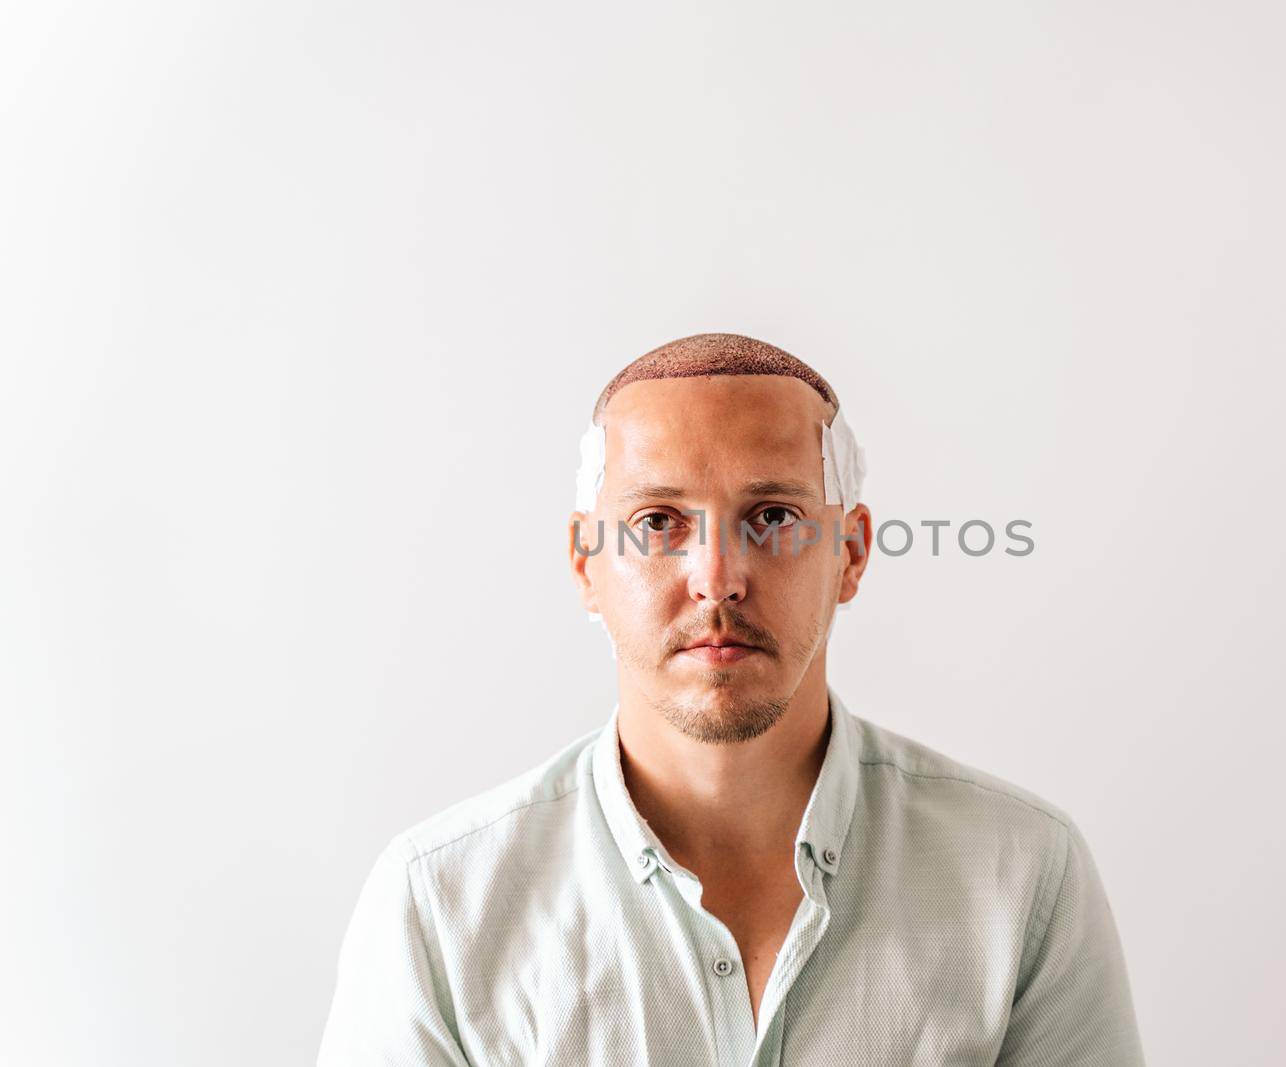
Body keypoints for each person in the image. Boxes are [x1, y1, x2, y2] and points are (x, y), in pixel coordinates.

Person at [317, 333, 1146, 1065]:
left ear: (851, 553)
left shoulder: (1021, 876)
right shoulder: (441, 907)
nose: (717, 577)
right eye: (658, 523)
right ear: (585, 564)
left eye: (774, 516)